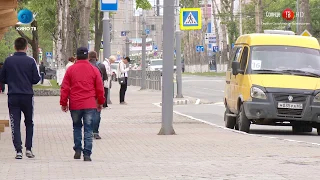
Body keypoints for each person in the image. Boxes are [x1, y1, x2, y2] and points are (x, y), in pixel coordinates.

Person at [60, 47, 105, 161]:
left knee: (76, 127)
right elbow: (100, 88)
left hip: (75, 104)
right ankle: (87, 154)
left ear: (77, 56)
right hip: (90, 104)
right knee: (88, 129)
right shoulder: (94, 69)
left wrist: (64, 103)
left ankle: (78, 149)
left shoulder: (71, 70)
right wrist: (100, 102)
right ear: (88, 57)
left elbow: (65, 88)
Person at [0, 37, 40, 159]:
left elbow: (2, 78)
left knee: (15, 123)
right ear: (26, 47)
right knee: (29, 122)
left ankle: (18, 150)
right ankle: (29, 148)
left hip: (13, 96)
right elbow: (36, 79)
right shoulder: (31, 61)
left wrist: (11, 81)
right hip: (27, 96)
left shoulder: (8, 61)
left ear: (14, 47)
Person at [88, 51, 108, 140]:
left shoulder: (86, 66)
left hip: (88, 92)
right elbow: (104, 78)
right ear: (96, 57)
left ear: (88, 57)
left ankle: (88, 132)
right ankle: (95, 132)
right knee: (97, 112)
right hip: (97, 92)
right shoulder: (101, 66)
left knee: (88, 113)